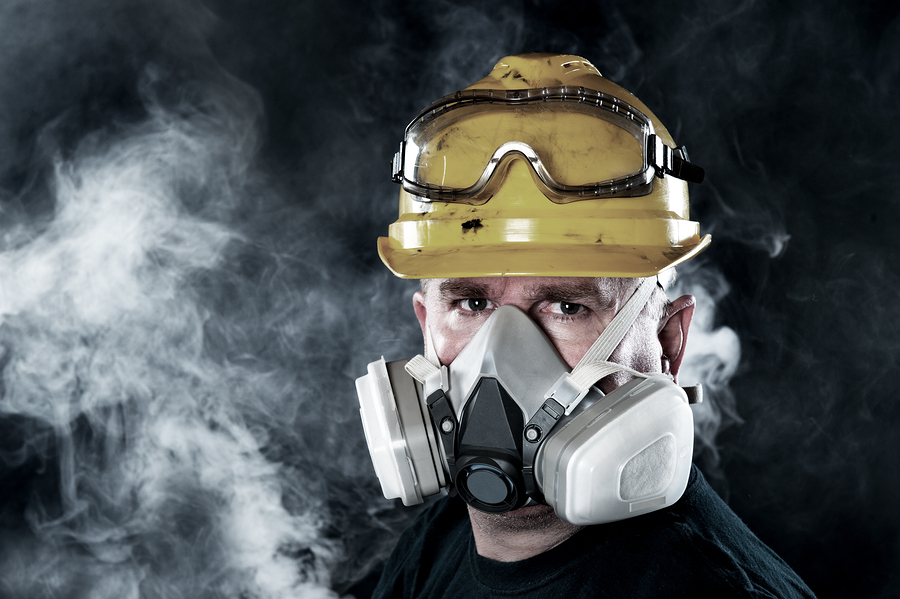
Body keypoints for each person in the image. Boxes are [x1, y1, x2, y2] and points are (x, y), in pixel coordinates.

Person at [357, 53, 815, 598]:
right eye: (473, 303)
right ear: (426, 322)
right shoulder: (439, 541)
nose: (497, 352)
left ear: (669, 342)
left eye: (567, 307)